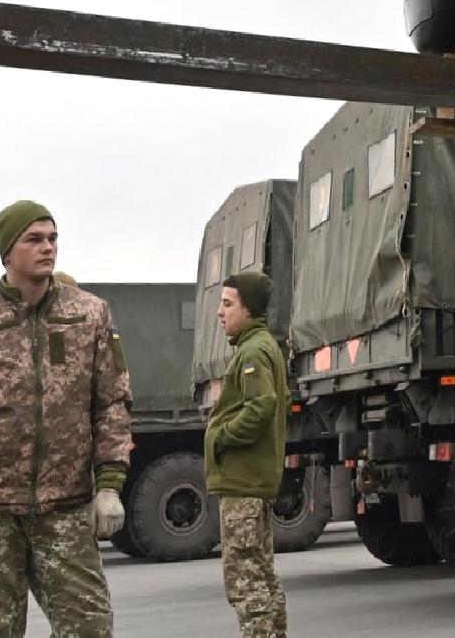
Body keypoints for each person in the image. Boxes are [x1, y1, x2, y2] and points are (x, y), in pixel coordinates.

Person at [0, 200, 133, 637]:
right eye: (34, 239)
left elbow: (112, 403)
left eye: (52, 238)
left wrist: (109, 486)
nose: (47, 247)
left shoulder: (88, 315)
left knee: (90, 629)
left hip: (64, 510)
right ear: (7, 252)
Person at [205, 271, 290, 637]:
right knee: (262, 577)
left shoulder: (254, 350)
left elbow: (263, 405)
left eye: (227, 304)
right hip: (253, 482)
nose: (219, 313)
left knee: (246, 583)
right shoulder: (261, 346)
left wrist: (222, 436)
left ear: (249, 309)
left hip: (244, 484)